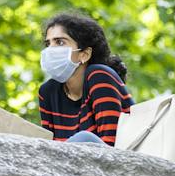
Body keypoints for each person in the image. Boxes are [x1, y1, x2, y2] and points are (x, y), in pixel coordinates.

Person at [38, 12, 133, 145]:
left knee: (84, 138)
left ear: (84, 54)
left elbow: (112, 148)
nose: (50, 50)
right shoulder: (47, 92)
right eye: (48, 43)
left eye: (60, 42)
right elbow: (50, 147)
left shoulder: (99, 76)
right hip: (68, 163)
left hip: (117, 160)